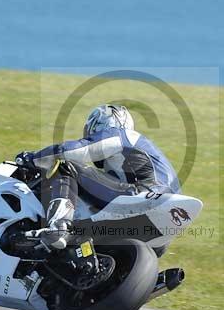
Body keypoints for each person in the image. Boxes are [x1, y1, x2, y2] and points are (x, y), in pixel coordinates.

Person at [16, 104, 180, 251]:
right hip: (165, 218)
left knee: (67, 166)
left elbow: (78, 150)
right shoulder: (130, 158)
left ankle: (59, 227)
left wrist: (33, 158)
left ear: (99, 126)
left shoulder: (120, 134)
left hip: (145, 194)